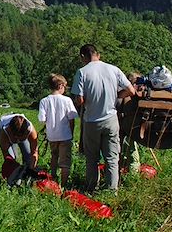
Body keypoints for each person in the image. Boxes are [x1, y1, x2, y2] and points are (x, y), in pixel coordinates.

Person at [71, 44, 135, 193]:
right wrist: (118, 96)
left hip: (92, 121)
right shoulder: (113, 69)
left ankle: (92, 188)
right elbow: (131, 90)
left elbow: (79, 100)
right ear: (97, 54)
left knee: (92, 158)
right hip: (111, 119)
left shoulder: (82, 72)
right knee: (112, 158)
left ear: (83, 57)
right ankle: (112, 191)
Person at [37, 74, 77, 187]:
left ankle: (53, 181)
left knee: (54, 157)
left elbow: (42, 119)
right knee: (65, 162)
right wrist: (71, 132)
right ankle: (64, 185)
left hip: (52, 136)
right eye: (64, 86)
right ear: (60, 86)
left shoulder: (44, 101)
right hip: (65, 135)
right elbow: (72, 118)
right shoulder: (67, 100)